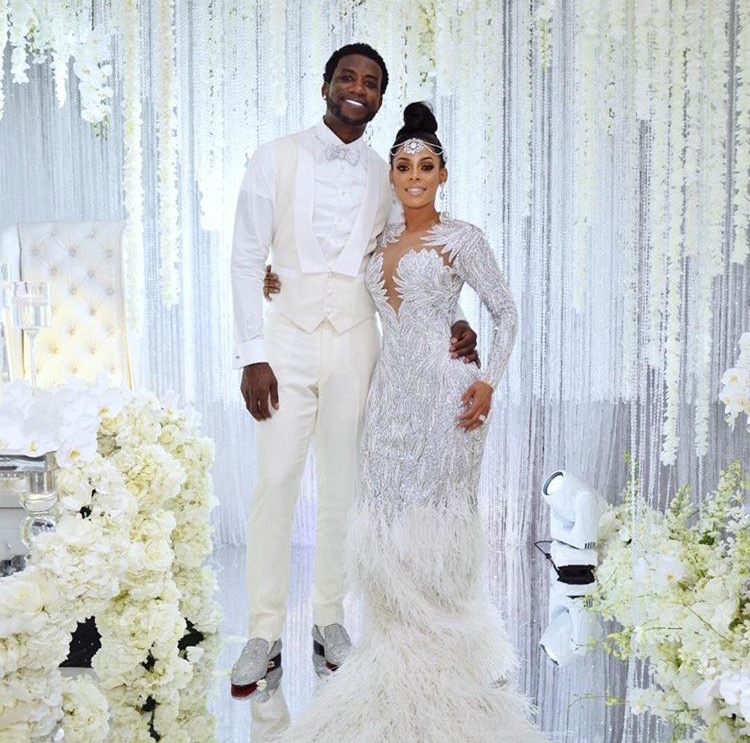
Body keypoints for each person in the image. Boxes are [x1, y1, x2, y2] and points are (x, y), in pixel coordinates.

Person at [274, 102, 548, 742]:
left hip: (450, 397)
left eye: (426, 167)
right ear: (392, 175)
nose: (415, 177)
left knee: (440, 513)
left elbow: (506, 312)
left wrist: (487, 379)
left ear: (443, 175)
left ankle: (449, 635)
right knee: (384, 512)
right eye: (403, 166)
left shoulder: (462, 238)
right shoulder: (374, 246)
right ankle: (396, 630)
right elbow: (320, 279)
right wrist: (271, 279)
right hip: (390, 397)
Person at [229, 44, 479, 700]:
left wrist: (454, 318)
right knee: (275, 480)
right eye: (348, 77)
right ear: (325, 85)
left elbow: (406, 260)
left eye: (371, 83)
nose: (357, 89)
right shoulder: (274, 157)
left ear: (379, 98)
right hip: (284, 344)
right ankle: (262, 632)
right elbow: (246, 256)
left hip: (356, 344)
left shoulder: (383, 174)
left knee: (344, 487)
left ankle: (329, 619)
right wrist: (251, 353)